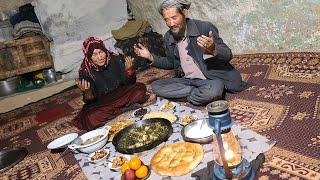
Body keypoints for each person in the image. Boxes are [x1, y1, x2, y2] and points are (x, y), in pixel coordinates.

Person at [133, 0, 249, 106]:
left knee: (214, 89)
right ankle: (197, 95)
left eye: (174, 18)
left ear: (185, 13)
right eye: (166, 20)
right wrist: (150, 57)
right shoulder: (168, 36)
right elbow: (170, 63)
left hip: (209, 79)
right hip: (187, 82)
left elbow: (228, 55)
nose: (171, 23)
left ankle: (190, 96)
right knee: (156, 86)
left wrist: (213, 49)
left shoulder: (204, 27)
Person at [72, 37, 146, 130]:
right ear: (89, 56)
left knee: (140, 88)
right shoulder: (85, 71)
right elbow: (90, 101)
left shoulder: (115, 59)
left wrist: (129, 71)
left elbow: (129, 83)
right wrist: (87, 92)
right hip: (103, 103)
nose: (100, 57)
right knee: (91, 118)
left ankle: (116, 112)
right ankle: (121, 109)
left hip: (120, 95)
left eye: (101, 52)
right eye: (94, 54)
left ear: (104, 50)